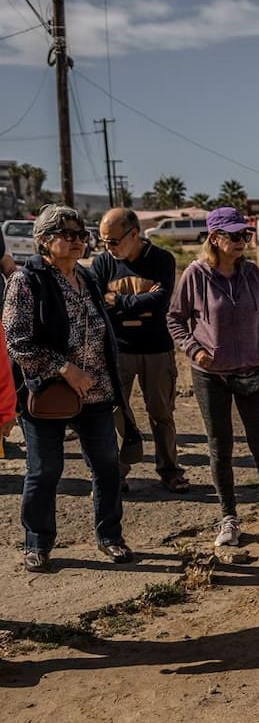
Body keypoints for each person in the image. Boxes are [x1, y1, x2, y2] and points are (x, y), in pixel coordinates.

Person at [5, 204, 135, 571]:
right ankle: (38, 542)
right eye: (69, 235)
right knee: (45, 470)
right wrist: (65, 369)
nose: (79, 241)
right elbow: (17, 342)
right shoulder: (26, 281)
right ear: (45, 241)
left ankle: (110, 536)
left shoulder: (87, 277)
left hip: (96, 392)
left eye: (82, 235)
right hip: (48, 393)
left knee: (108, 466)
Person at [167, 207, 259, 549]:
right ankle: (229, 519)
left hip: (252, 371)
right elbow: (175, 319)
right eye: (234, 235)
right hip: (211, 376)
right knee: (220, 447)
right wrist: (194, 350)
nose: (242, 241)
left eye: (245, 235)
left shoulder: (252, 273)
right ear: (215, 238)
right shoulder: (196, 275)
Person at [92, 207, 189, 493]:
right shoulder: (102, 264)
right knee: (116, 412)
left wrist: (117, 302)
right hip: (118, 350)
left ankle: (170, 471)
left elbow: (160, 303)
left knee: (161, 412)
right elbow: (98, 303)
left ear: (134, 234)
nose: (107, 247)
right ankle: (117, 474)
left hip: (156, 349)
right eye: (103, 241)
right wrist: (137, 303)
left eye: (112, 241)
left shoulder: (161, 260)